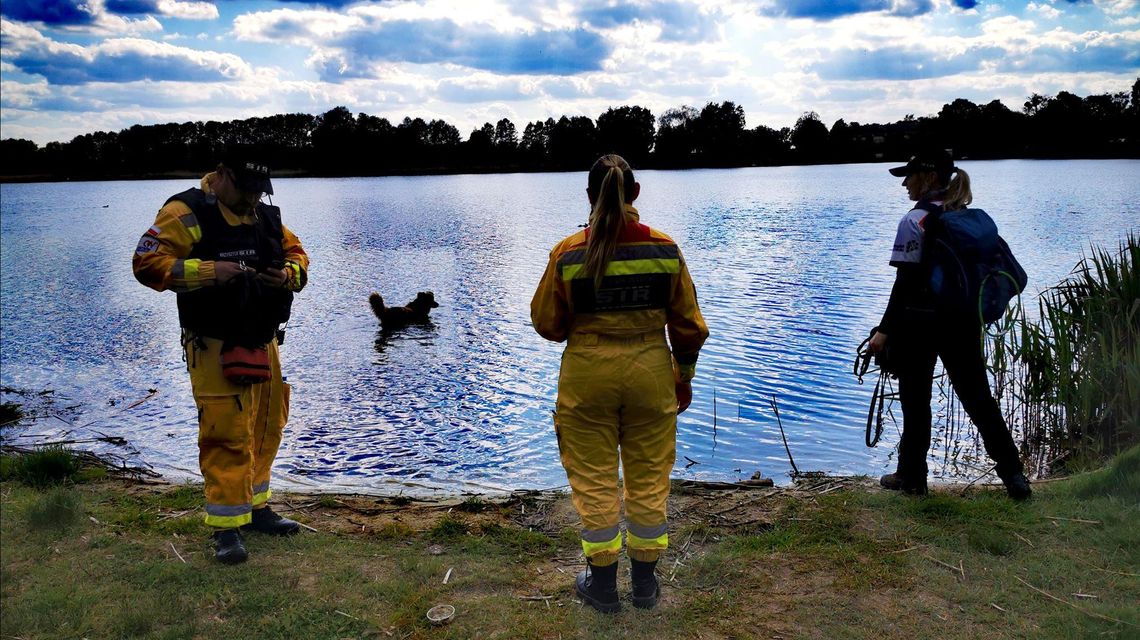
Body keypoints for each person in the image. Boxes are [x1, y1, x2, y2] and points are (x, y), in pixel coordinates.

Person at [531, 154, 709, 613]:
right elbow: (688, 327)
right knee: (649, 478)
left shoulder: (569, 252)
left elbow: (548, 324)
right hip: (651, 371)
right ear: (635, 194)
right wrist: (682, 378)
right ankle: (646, 587)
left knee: (594, 481)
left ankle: (603, 586)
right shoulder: (664, 249)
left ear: (590, 196)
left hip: (587, 375)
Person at [133, 152, 310, 564]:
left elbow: (299, 254)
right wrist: (210, 271)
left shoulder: (263, 216)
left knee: (267, 425)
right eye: (247, 189)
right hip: (212, 343)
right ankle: (226, 529)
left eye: (259, 191)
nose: (253, 199)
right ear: (225, 175)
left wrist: (287, 275)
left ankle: (256, 509)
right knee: (225, 432)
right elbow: (146, 264)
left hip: (263, 338)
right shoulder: (185, 212)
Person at [869, 149, 1030, 500]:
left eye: (908, 177)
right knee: (979, 400)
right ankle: (1015, 477)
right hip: (963, 322)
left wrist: (883, 331)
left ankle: (912, 477)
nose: (905, 184)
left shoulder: (916, 219)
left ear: (927, 177)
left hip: (919, 323)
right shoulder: (963, 214)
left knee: (916, 401)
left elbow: (905, 283)